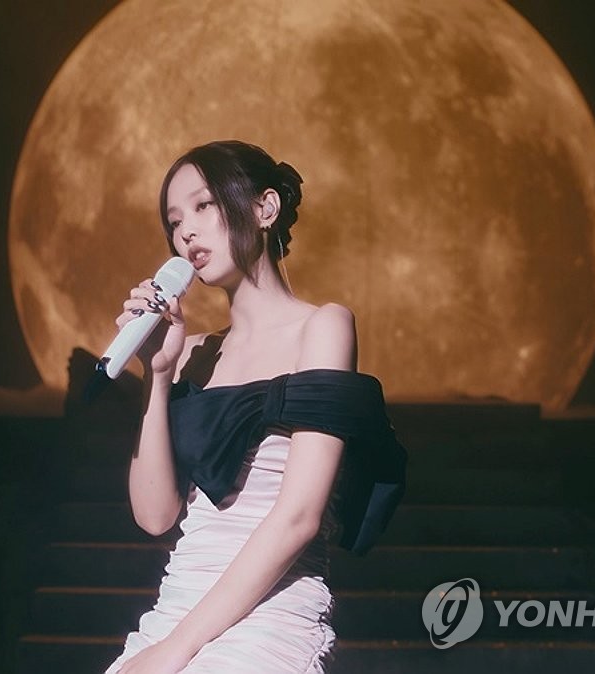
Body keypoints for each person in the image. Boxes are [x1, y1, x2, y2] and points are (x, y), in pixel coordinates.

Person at [104, 140, 405, 673]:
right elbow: (155, 517)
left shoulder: (323, 327)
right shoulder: (191, 352)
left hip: (270, 608)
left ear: (265, 208)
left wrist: (175, 652)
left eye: (203, 205)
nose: (186, 232)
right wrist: (157, 374)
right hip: (179, 601)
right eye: (174, 221)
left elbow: (299, 518)